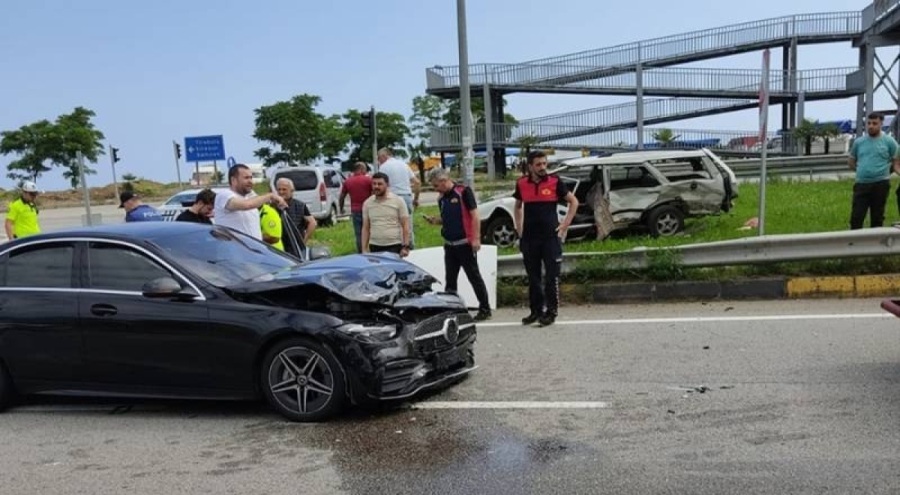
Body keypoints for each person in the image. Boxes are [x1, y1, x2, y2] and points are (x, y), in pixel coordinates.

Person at [513, 150, 578, 327]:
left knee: (551, 277)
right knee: (533, 278)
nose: (542, 167)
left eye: (544, 163)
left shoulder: (555, 181)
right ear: (530, 166)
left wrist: (565, 225)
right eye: (538, 164)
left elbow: (574, 202)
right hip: (530, 238)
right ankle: (536, 311)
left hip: (550, 237)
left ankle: (551, 311)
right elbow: (517, 207)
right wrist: (519, 229)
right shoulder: (521, 184)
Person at [424, 168, 492, 321]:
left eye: (436, 186)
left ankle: (485, 308)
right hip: (449, 244)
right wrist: (436, 221)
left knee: (474, 276)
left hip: (464, 243)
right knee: (450, 279)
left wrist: (476, 238)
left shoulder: (463, 192)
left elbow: (475, 216)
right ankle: (451, 309)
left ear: (443, 181)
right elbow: (449, 218)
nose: (435, 189)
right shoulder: (441, 198)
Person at [849, 112, 900, 229]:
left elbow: (896, 161)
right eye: (869, 123)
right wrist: (862, 170)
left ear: (881, 124)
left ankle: (875, 244)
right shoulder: (859, 142)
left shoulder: (889, 141)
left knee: (877, 217)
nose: (871, 126)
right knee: (856, 217)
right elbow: (851, 161)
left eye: (874, 123)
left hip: (881, 184)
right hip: (861, 183)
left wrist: (886, 172)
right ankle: (854, 243)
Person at [214, 164, 286, 239]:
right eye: (246, 178)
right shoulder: (224, 195)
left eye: (251, 178)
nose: (250, 181)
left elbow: (258, 202)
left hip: (253, 249)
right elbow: (247, 205)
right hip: (233, 249)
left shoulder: (250, 195)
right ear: (233, 180)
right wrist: (270, 196)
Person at [377, 148, 420, 248]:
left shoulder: (383, 167)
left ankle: (397, 246)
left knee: (393, 225)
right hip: (407, 197)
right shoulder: (404, 165)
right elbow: (417, 182)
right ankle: (410, 246)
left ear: (384, 156)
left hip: (392, 198)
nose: (379, 161)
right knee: (408, 223)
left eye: (379, 158)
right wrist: (416, 199)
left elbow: (381, 185)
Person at [361, 172, 410, 257]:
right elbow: (365, 227)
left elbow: (405, 225)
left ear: (387, 185)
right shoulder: (367, 203)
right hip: (375, 246)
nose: (376, 186)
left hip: (394, 245)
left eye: (380, 184)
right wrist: (364, 249)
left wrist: (405, 246)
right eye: (374, 184)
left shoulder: (398, 201)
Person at [339, 161, 373, 253]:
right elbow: (374, 194)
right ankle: (371, 251)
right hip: (369, 210)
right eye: (365, 169)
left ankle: (361, 252)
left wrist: (341, 208)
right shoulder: (368, 180)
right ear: (361, 169)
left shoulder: (348, 181)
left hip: (355, 210)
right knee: (370, 231)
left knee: (359, 234)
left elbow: (342, 196)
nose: (366, 172)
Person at [274, 178, 316, 245]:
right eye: (279, 189)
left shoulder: (300, 205)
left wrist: (303, 242)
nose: (281, 192)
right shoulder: (272, 206)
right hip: (277, 245)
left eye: (284, 189)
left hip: (294, 246)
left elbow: (312, 223)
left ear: (292, 190)